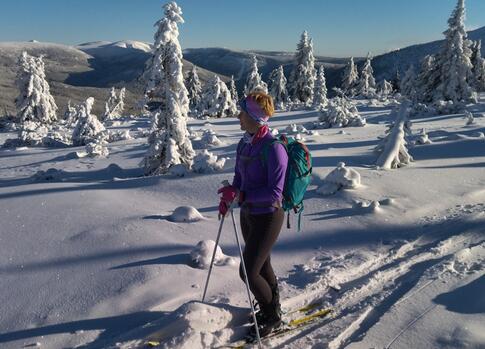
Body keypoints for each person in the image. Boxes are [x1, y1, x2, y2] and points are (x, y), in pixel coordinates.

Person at [218, 91, 288, 337]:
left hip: (268, 216)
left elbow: (275, 193)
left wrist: (242, 196)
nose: (238, 117)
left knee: (247, 271)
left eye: (243, 113)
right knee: (262, 265)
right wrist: (231, 194)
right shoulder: (244, 143)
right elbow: (239, 179)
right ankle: (273, 309)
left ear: (256, 118)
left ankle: (272, 316)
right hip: (247, 214)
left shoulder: (275, 149)